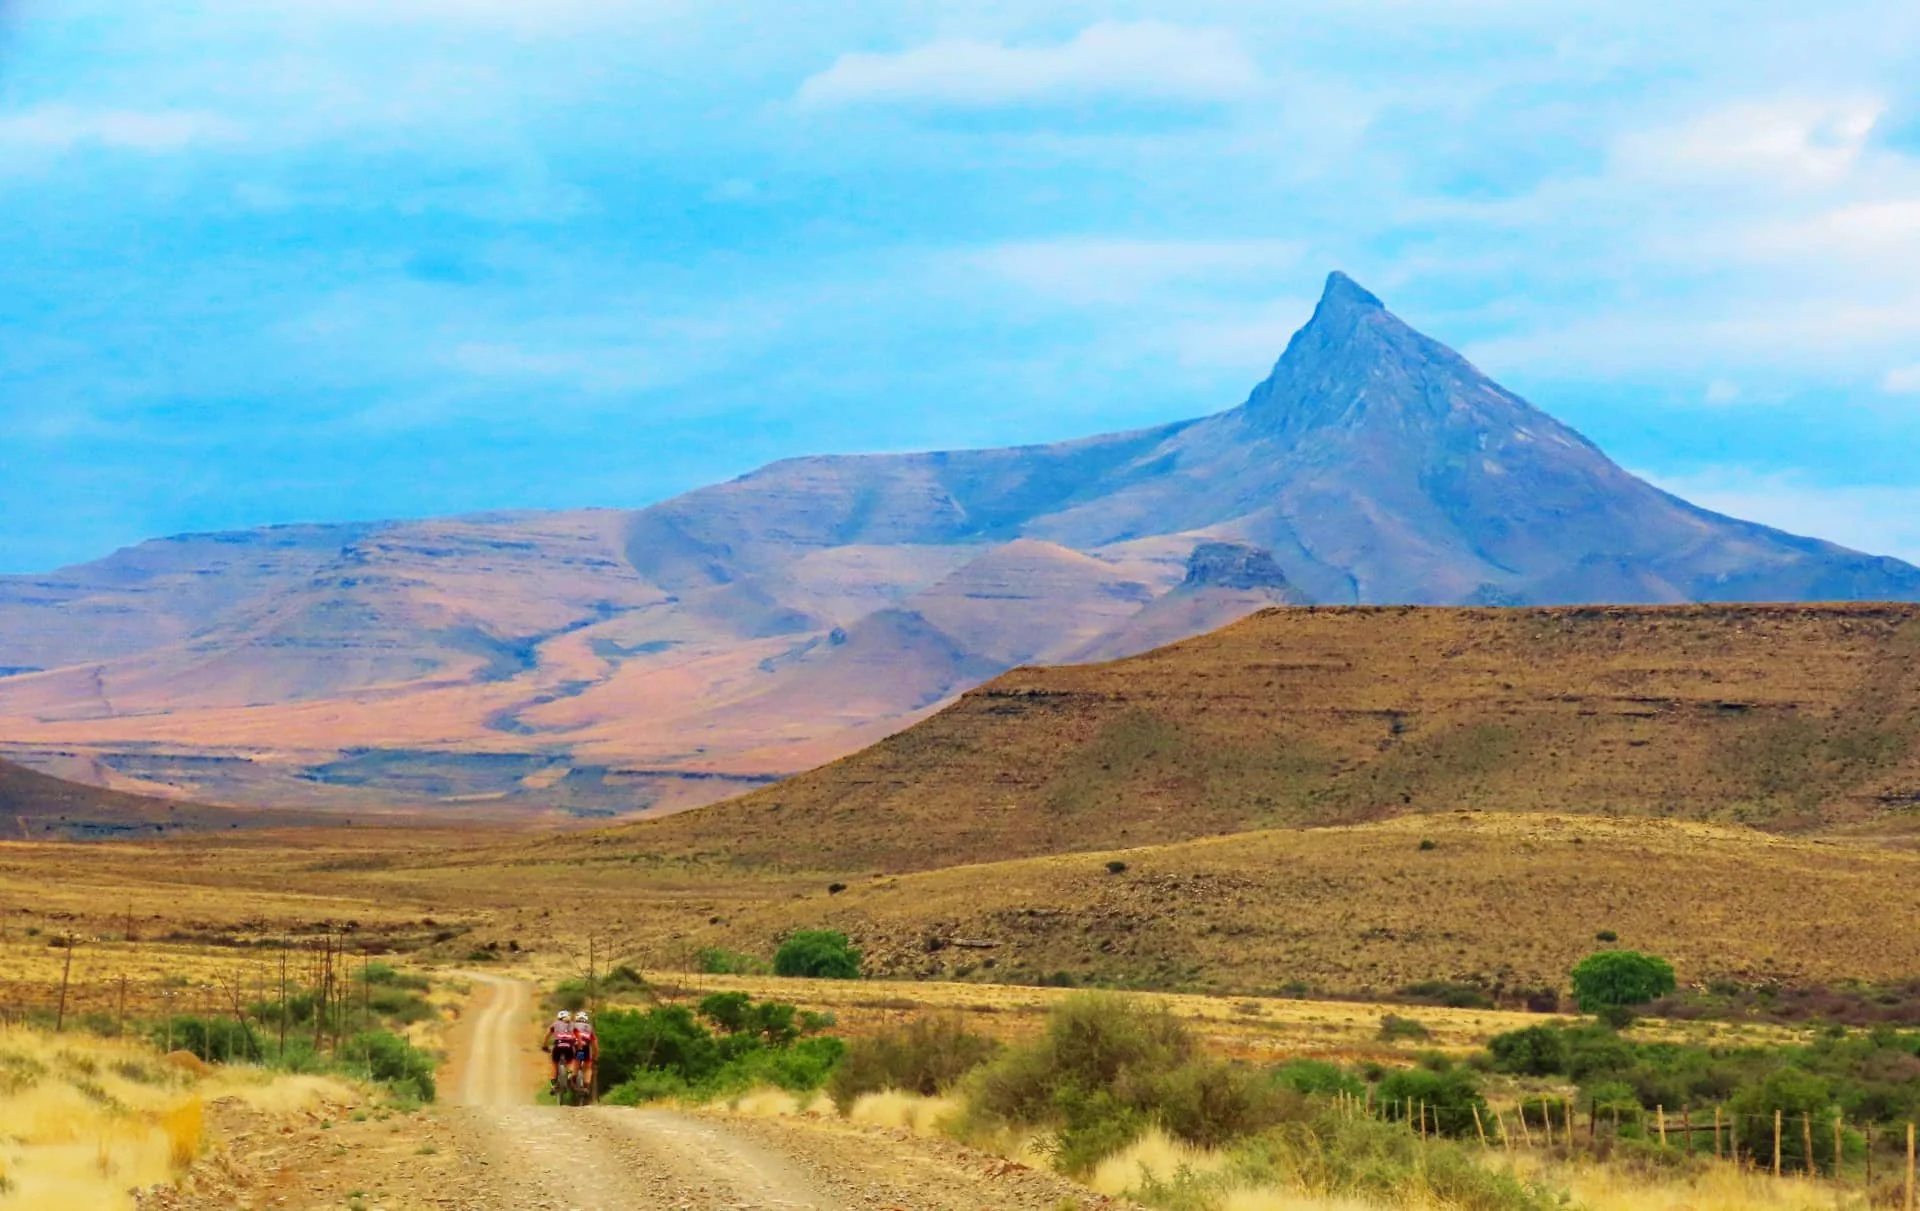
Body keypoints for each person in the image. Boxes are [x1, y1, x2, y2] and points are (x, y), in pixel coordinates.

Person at [541, 1010, 576, 1097]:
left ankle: (553, 1086)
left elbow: (547, 1035)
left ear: (559, 1017)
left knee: (553, 1065)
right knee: (571, 1062)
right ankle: (569, 1076)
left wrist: (544, 1046)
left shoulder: (555, 1024)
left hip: (558, 1046)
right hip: (569, 1047)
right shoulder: (573, 1025)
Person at [571, 1010, 598, 1102]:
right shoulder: (590, 1028)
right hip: (586, 1048)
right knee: (588, 1068)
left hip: (577, 1047)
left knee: (575, 1063)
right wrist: (595, 1056)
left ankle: (573, 1078)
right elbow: (595, 1045)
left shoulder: (573, 1026)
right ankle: (586, 1087)